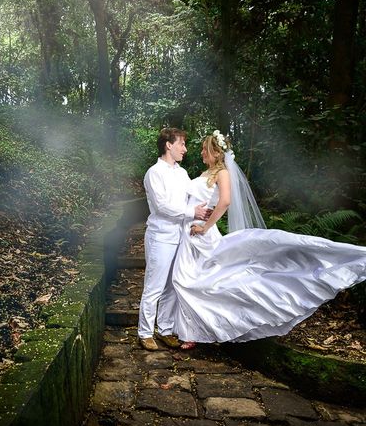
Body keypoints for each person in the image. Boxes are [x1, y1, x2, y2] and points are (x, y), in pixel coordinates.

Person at [171, 131, 366, 349]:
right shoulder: (205, 172)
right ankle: (193, 330)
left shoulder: (223, 173)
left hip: (202, 233)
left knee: (204, 282)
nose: (200, 152)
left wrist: (206, 227)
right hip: (190, 234)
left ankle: (211, 328)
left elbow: (225, 201)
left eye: (204, 148)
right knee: (186, 281)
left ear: (215, 152)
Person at [138, 128, 211, 351]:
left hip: (181, 237)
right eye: (181, 144)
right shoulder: (154, 173)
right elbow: (162, 207)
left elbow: (193, 197)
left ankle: (166, 329)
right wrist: (192, 213)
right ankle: (144, 332)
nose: (185, 149)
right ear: (168, 145)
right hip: (160, 236)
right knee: (155, 285)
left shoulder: (182, 173)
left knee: (172, 286)